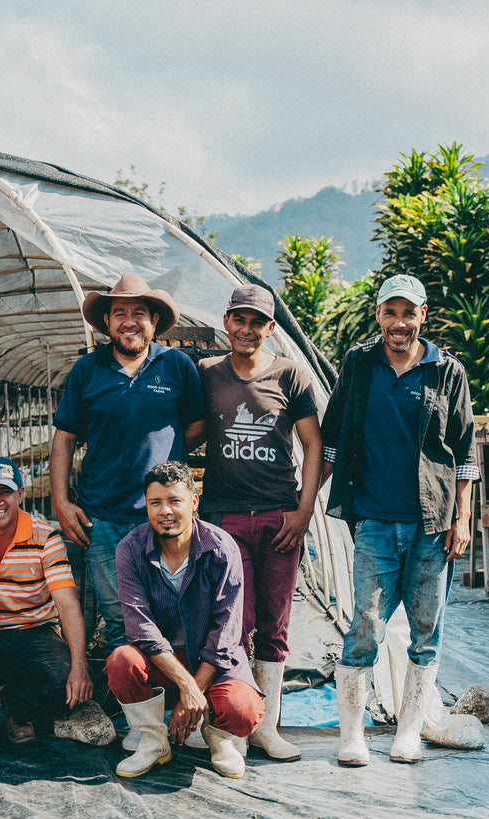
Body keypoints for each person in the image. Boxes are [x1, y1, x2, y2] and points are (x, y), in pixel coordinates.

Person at [318, 274, 478, 767]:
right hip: (375, 521)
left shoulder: (446, 371)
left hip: (433, 526)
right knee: (365, 624)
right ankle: (353, 737)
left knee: (427, 628)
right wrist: (306, 502)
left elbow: (467, 451)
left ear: (423, 316)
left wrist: (463, 517)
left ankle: (408, 733)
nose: (399, 323)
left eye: (408, 313)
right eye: (390, 312)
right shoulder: (359, 365)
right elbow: (332, 437)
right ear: (379, 315)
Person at [190, 284, 322, 762]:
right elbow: (187, 430)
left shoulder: (291, 376)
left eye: (257, 322)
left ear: (271, 328)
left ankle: (267, 726)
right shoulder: (207, 374)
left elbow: (314, 446)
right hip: (224, 516)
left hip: (277, 515)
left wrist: (303, 513)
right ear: (226, 323)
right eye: (238, 320)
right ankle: (229, 723)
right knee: (231, 621)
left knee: (274, 622)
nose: (247, 330)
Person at [51, 274, 204, 654]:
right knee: (121, 617)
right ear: (107, 322)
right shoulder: (87, 371)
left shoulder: (176, 366)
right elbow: (65, 438)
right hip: (101, 519)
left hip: (162, 516)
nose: (129, 321)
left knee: (170, 610)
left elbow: (197, 425)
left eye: (139, 312)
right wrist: (61, 502)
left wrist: (164, 452)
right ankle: (133, 704)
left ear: (154, 321)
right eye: (119, 313)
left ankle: (169, 694)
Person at [0, 456, 115, 758]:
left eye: (4, 492)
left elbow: (67, 604)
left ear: (20, 494)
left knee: (65, 679)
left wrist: (80, 665)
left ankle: (18, 704)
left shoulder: (45, 535)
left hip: (35, 632)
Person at [107, 461, 264, 780]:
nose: (165, 511)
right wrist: (187, 687)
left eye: (174, 500)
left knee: (243, 710)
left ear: (193, 502)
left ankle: (219, 740)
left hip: (214, 661)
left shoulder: (221, 548)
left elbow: (226, 633)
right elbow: (142, 629)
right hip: (163, 661)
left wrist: (195, 688)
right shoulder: (131, 550)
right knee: (121, 662)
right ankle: (153, 741)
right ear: (147, 506)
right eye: (156, 502)